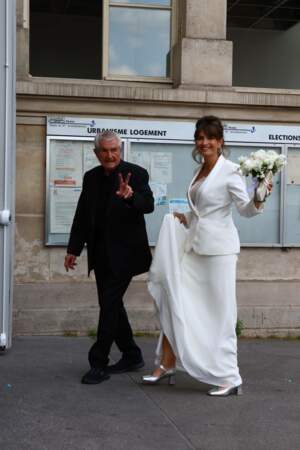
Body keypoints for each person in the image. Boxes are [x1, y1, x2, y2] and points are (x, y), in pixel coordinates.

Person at [143, 116, 272, 396]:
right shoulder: (201, 170)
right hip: (195, 246)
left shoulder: (231, 171)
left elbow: (246, 209)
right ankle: (167, 362)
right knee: (172, 295)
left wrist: (260, 196)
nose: (204, 143)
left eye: (210, 138)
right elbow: (204, 210)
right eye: (200, 138)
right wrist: (185, 217)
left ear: (220, 141)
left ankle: (228, 376)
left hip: (219, 252)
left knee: (221, 312)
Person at [64, 131, 154, 384]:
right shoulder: (91, 177)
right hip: (100, 254)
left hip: (126, 254)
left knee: (109, 304)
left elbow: (148, 204)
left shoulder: (135, 173)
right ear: (97, 153)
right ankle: (132, 354)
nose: (110, 155)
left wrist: (130, 196)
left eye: (114, 150)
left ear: (121, 149)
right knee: (112, 304)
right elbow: (82, 215)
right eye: (104, 151)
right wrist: (73, 249)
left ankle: (98, 362)